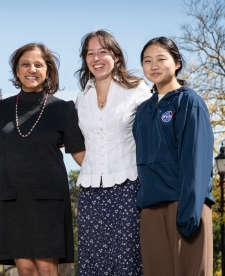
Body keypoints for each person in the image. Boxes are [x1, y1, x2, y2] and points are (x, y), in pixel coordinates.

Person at [0, 43, 85, 276]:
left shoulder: (63, 109)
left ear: (48, 71)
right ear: (17, 71)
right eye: (25, 64)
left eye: (39, 65)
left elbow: (81, 155)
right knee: (26, 269)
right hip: (13, 198)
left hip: (49, 199)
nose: (32, 69)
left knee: (46, 269)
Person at [133, 37, 214, 276]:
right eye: (147, 61)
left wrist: (189, 213)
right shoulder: (143, 111)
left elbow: (196, 160)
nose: (153, 66)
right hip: (151, 209)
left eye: (161, 59)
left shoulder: (189, 102)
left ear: (176, 62)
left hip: (186, 206)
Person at [74, 30, 151, 275]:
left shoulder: (138, 89)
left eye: (103, 52)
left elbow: (152, 135)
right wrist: (92, 166)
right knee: (93, 262)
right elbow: (77, 145)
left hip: (128, 188)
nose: (96, 58)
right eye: (90, 53)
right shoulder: (80, 98)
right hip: (90, 192)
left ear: (116, 56)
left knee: (128, 259)